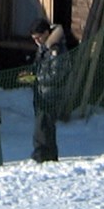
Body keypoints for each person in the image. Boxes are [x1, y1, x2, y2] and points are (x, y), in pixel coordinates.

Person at [28, 18, 70, 162]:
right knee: (44, 126)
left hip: (51, 95)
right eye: (34, 39)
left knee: (43, 127)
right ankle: (48, 156)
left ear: (46, 33)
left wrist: (37, 78)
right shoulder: (43, 47)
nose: (37, 41)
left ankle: (42, 155)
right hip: (41, 93)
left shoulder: (56, 49)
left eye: (38, 37)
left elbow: (57, 74)